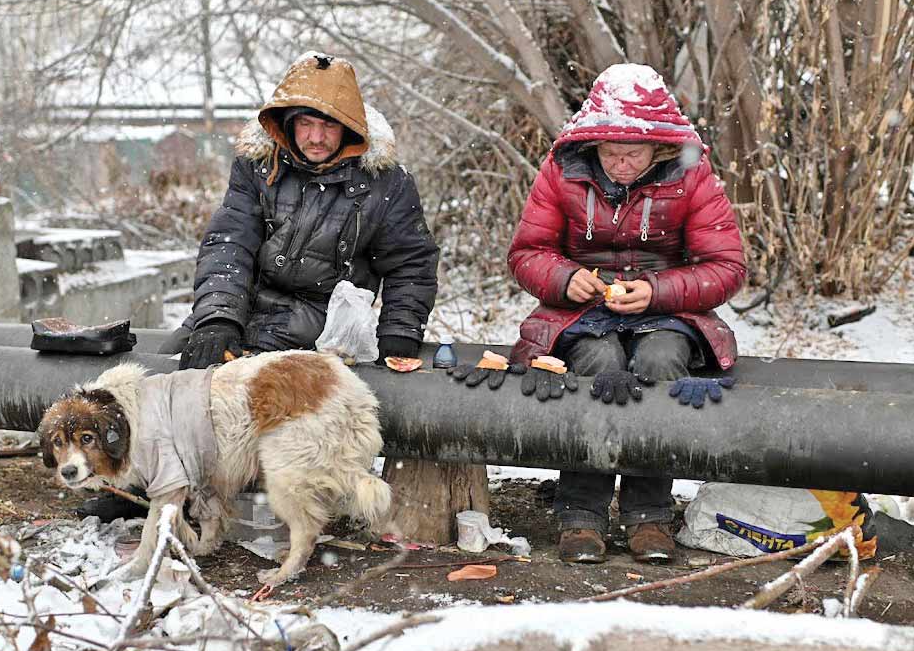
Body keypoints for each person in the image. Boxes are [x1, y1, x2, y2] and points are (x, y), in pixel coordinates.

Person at [78, 51, 440, 521]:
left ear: (350, 129)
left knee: (241, 380)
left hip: (325, 316)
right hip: (249, 299)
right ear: (285, 122)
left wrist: (400, 332)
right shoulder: (256, 165)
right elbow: (230, 242)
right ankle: (148, 480)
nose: (314, 137)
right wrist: (218, 316)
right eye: (305, 123)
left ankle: (199, 489)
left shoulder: (385, 183)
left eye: (329, 126)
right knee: (175, 367)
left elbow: (412, 262)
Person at [503, 63, 745, 564]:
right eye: (610, 153)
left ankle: (649, 515)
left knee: (659, 365)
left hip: (671, 311)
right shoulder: (561, 170)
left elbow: (726, 267)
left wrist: (656, 290)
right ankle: (580, 515)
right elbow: (527, 253)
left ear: (658, 147)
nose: (620, 165)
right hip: (578, 313)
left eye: (633, 153)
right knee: (599, 365)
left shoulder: (692, 174)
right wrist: (565, 279)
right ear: (591, 146)